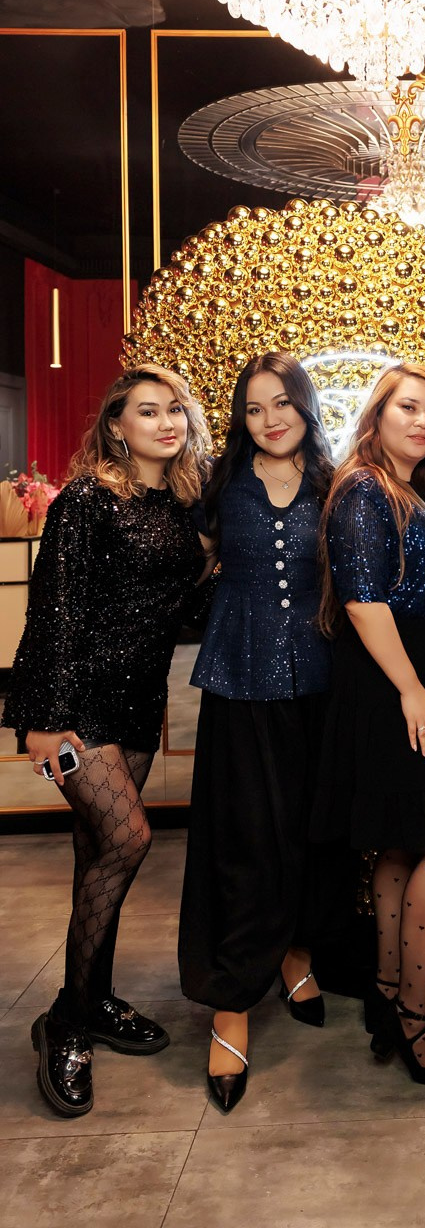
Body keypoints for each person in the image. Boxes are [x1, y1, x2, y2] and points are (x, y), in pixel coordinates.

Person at [3, 367, 210, 1117]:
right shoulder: (88, 499)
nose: (165, 422)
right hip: (74, 709)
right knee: (128, 839)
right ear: (116, 425)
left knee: (98, 856)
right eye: (147, 412)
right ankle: (64, 1020)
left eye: (175, 409)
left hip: (136, 702)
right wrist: (43, 719)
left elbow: (177, 608)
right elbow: (53, 611)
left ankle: (92, 998)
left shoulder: (178, 505)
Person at [177, 353, 334, 1114]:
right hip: (239, 682)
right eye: (253, 408)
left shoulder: (336, 485)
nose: (270, 419)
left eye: (282, 403)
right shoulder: (216, 484)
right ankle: (232, 1000)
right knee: (242, 840)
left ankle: (296, 951)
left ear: (306, 406)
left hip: (322, 684)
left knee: (311, 831)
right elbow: (187, 568)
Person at [315, 363, 425, 1086]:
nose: (422, 422)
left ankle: (387, 996)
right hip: (394, 680)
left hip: (413, 675)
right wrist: (412, 690)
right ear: (375, 415)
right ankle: (414, 1017)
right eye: (407, 407)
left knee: (404, 846)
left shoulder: (415, 491)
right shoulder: (364, 488)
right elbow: (362, 600)